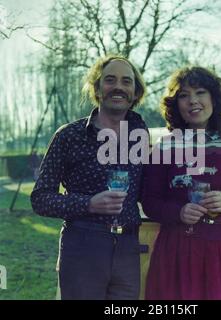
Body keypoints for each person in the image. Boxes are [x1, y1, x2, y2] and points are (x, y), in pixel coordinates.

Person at [142, 66, 221, 300]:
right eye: (183, 95)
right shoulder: (165, 146)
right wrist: (178, 212)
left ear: (214, 97)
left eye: (200, 92)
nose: (192, 101)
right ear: (176, 104)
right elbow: (149, 201)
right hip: (177, 249)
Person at [31, 55, 147, 300]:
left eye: (127, 81)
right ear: (97, 88)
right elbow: (40, 198)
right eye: (110, 80)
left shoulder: (139, 133)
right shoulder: (69, 136)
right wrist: (88, 203)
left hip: (128, 247)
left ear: (135, 92)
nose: (119, 87)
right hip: (83, 244)